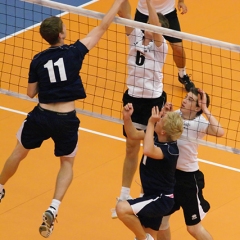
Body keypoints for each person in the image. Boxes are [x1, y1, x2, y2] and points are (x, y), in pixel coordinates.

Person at [0, 0, 126, 238]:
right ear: (61, 34)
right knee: (66, 163)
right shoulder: (75, 52)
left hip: (41, 115)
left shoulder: (37, 59)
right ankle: (53, 207)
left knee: (19, 151)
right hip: (66, 119)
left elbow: (30, 93)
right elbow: (102, 27)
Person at [111, 0, 169, 219]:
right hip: (133, 99)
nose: (147, 25)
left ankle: (147, 194)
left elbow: (155, 27)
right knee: (130, 146)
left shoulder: (159, 45)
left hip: (154, 102)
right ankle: (123, 195)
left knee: (151, 149)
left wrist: (148, 3)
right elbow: (124, 8)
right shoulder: (135, 35)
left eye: (151, 24)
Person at [157, 88, 224, 240]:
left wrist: (206, 109)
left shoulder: (200, 123)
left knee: (193, 228)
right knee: (161, 221)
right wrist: (163, 113)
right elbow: (159, 131)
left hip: (188, 179)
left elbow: (219, 132)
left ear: (197, 107)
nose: (184, 100)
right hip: (169, 176)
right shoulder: (175, 116)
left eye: (190, 100)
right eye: (186, 97)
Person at [116, 103, 183, 240]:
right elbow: (132, 134)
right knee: (151, 233)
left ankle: (144, 239)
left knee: (121, 209)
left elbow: (148, 150)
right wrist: (127, 118)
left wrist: (150, 122)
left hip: (161, 199)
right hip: (151, 196)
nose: (158, 119)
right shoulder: (155, 136)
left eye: (161, 120)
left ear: (163, 131)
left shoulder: (170, 150)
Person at [135, 0, 195, 92]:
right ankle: (143, 76)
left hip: (167, 13)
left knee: (178, 48)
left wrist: (181, 2)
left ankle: (182, 75)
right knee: (141, 48)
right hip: (144, 13)